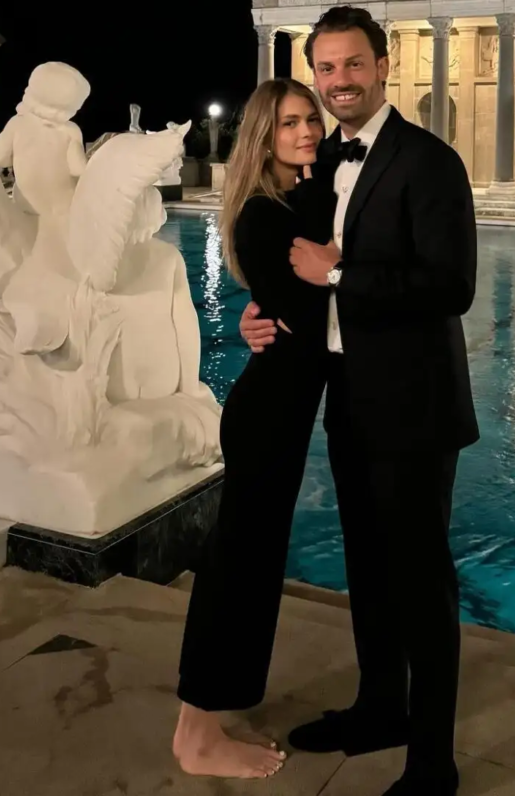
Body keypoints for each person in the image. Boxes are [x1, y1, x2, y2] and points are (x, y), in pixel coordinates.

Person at [239, 5, 479, 796]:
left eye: (352, 64)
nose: (339, 80)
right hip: (348, 394)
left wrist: (339, 274)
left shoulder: (428, 161)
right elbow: (297, 274)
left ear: (383, 65)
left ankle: (433, 763)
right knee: (368, 568)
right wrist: (261, 314)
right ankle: (381, 709)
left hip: (414, 405)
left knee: (420, 580)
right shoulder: (317, 169)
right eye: (326, 67)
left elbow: (452, 285)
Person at [173, 78, 333, 780]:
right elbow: (305, 308)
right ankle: (195, 734)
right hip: (267, 413)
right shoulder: (266, 215)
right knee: (236, 567)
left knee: (250, 564)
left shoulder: (294, 199)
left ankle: (206, 717)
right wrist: (332, 273)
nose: (307, 133)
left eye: (311, 120)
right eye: (290, 123)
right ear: (264, 137)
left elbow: (295, 303)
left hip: (280, 408)